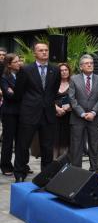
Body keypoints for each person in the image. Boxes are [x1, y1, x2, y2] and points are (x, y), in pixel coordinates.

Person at [13, 42, 61, 182]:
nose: (44, 52)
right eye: (41, 50)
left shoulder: (55, 70)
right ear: (35, 53)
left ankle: (46, 176)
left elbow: (54, 91)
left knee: (47, 148)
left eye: (46, 50)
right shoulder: (26, 69)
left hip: (48, 114)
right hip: (29, 113)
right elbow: (18, 92)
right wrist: (28, 105)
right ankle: (20, 173)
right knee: (23, 145)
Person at [68, 55, 98, 173]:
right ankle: (76, 171)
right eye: (87, 63)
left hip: (95, 118)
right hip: (78, 118)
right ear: (81, 67)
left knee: (94, 145)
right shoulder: (74, 79)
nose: (90, 65)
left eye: (91, 63)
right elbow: (72, 98)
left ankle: (94, 169)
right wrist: (82, 113)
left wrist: (93, 112)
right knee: (76, 146)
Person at [0, 54, 21, 175]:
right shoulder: (4, 77)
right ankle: (5, 166)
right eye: (16, 62)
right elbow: (9, 95)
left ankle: (20, 165)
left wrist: (15, 92)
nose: (19, 63)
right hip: (9, 113)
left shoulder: (21, 75)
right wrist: (18, 93)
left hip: (21, 112)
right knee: (8, 140)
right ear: (9, 64)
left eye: (19, 61)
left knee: (21, 140)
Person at [53, 62, 72, 158]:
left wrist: (67, 108)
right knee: (54, 139)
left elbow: (78, 98)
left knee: (66, 140)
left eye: (66, 70)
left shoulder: (73, 84)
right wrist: (57, 108)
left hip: (68, 116)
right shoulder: (53, 83)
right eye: (61, 70)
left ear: (69, 71)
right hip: (54, 115)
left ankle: (64, 162)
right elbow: (47, 98)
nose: (64, 72)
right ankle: (53, 162)